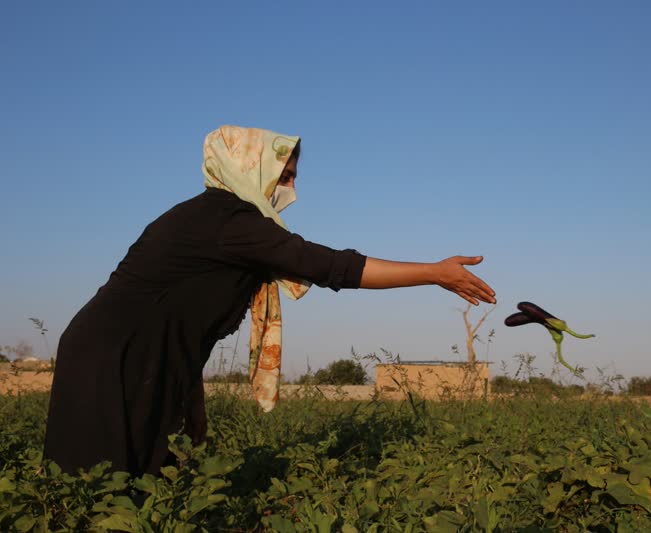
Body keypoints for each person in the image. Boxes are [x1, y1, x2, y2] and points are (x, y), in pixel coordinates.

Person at [43, 125, 496, 476]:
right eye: (284, 175)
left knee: (149, 476)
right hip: (112, 361)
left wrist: (188, 398)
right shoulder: (228, 222)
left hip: (141, 358)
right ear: (248, 166)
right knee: (103, 484)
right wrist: (433, 273)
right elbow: (332, 266)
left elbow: (178, 327)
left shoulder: (218, 220)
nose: (289, 188)